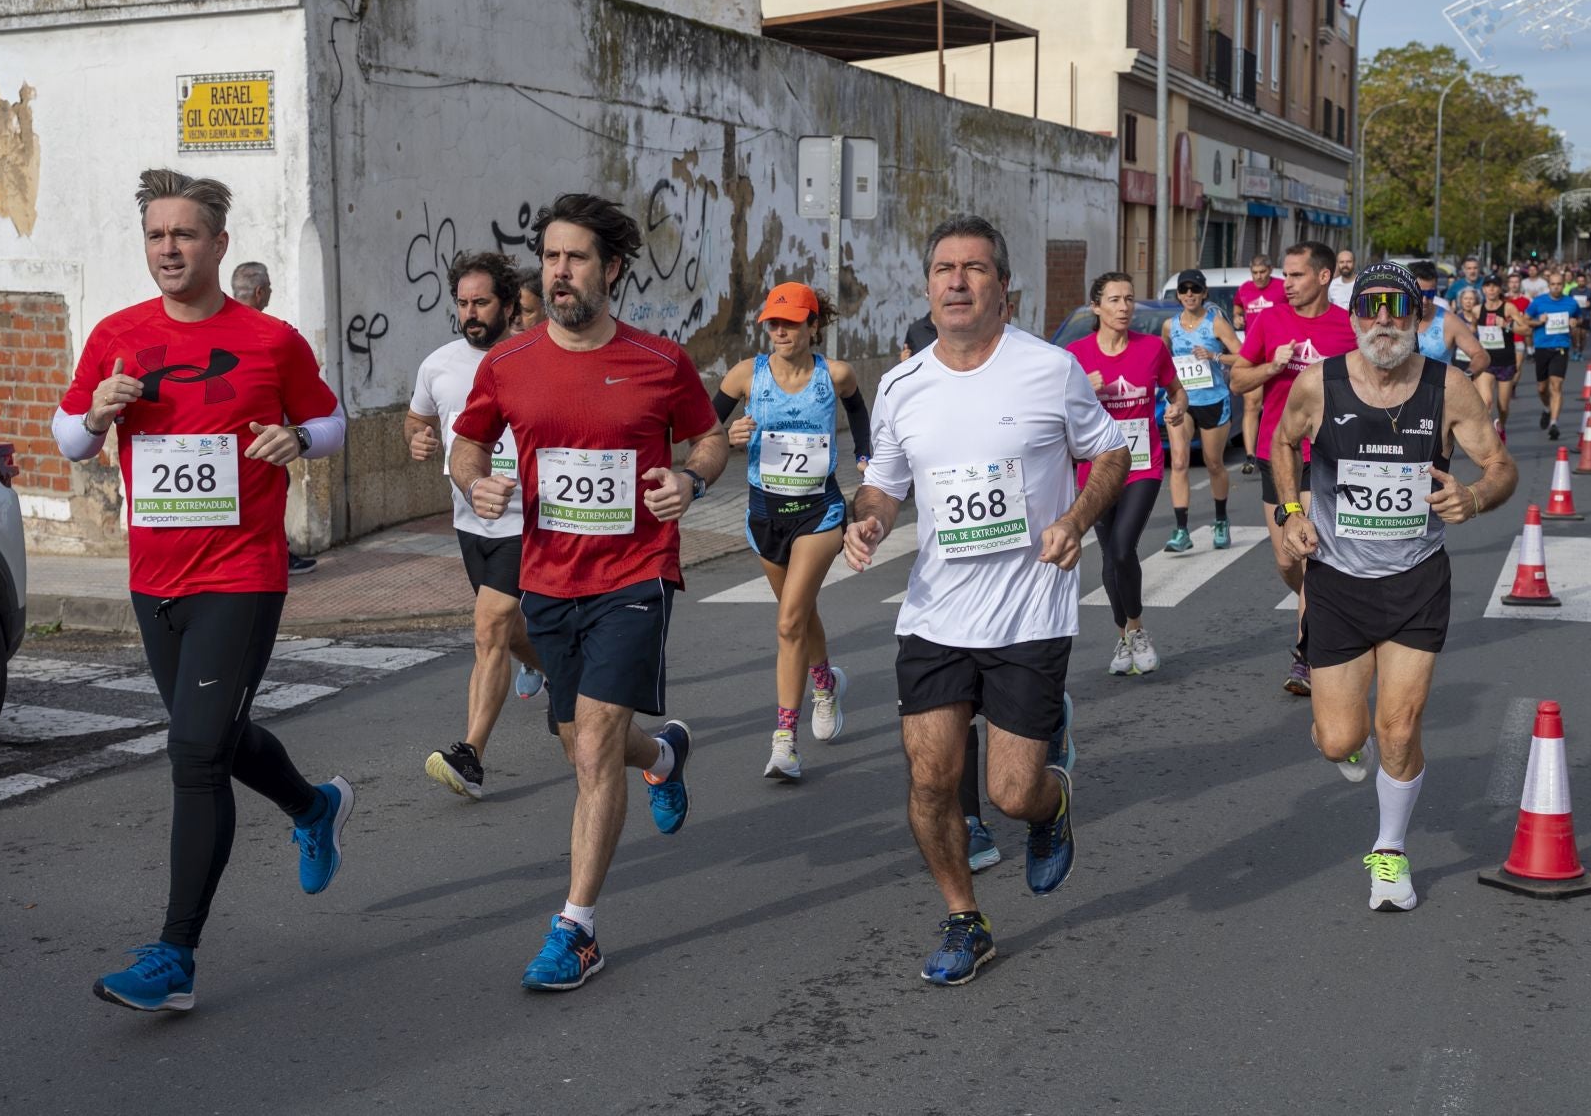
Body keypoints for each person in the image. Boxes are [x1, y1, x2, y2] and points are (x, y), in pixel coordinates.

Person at [55, 169, 351, 1013]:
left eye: (184, 234)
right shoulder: (117, 334)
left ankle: (175, 956)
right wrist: (98, 415)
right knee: (214, 734)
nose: (169, 249)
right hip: (155, 578)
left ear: (219, 244)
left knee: (192, 754)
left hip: (241, 574)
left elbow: (330, 421)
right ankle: (314, 804)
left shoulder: (270, 338)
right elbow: (67, 434)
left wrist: (296, 436)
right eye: (156, 235)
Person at [452, 192, 728, 992]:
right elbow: (469, 443)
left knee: (597, 747)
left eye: (575, 258)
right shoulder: (507, 365)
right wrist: (476, 485)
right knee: (578, 741)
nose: (559, 271)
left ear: (610, 269)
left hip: (635, 577)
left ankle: (576, 929)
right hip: (548, 578)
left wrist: (690, 476)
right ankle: (666, 754)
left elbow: (707, 436)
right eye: (551, 257)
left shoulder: (661, 361)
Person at [845, 213, 1127, 986]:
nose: (958, 280)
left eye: (974, 268)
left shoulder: (1049, 369)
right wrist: (867, 519)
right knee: (931, 779)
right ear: (929, 285)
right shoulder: (903, 385)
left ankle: (1051, 803)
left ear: (1005, 286)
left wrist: (1075, 519)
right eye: (944, 268)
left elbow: (1110, 448)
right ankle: (964, 917)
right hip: (936, 612)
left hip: (1028, 611)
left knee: (1009, 790)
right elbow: (884, 484)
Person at [1270, 261, 1518, 912]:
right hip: (1338, 584)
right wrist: (1292, 514)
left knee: (1400, 728)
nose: (1384, 320)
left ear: (1418, 317)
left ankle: (1390, 849)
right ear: (1354, 316)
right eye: (1371, 307)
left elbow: (1499, 465)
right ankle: (1351, 744)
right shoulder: (1318, 384)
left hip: (1416, 580)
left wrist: (1477, 496)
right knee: (1336, 738)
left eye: (1397, 308)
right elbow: (1282, 441)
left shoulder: (1449, 387)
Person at [713, 283, 871, 781]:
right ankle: (824, 682)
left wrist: (865, 458)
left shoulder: (835, 374)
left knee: (786, 624)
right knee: (797, 616)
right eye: (773, 324)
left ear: (813, 325)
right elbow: (698, 433)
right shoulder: (745, 376)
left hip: (819, 513)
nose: (780, 332)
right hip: (764, 514)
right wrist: (726, 435)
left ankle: (785, 741)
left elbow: (858, 411)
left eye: (791, 323)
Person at [406, 251, 550, 800]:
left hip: (526, 521)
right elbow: (418, 417)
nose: (470, 313)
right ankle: (561, 673)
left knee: (489, 628)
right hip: (470, 523)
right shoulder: (438, 363)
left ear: (509, 304)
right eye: (463, 302)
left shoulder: (535, 359)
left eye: (481, 302)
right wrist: (416, 439)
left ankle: (470, 755)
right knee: (510, 632)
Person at [1228, 240, 1357, 697]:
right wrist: (1270, 366)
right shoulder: (1270, 320)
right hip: (1276, 451)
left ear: (1324, 276)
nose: (1288, 284)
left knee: (1309, 553)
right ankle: (1319, 602)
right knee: (1287, 559)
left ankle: (1306, 655)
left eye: (1297, 275)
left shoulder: (1348, 327)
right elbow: (1237, 378)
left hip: (1327, 456)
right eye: (1285, 275)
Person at [1070, 272, 1186, 675]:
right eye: (1115, 300)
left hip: (1142, 464)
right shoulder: (1076, 356)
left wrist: (1178, 409)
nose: (1124, 307)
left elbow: (1177, 391)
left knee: (1123, 547)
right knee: (1108, 555)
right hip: (1096, 467)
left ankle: (1136, 630)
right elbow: (1053, 411)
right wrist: (1082, 388)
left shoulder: (1152, 348)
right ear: (1096, 306)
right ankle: (1122, 639)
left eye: (1129, 299)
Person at [226, 260, 315, 574]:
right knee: (272, 495)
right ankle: (279, 555)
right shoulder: (269, 335)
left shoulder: (218, 327)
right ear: (260, 292)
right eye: (270, 289)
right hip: (263, 444)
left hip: (224, 443)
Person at [1161, 268, 1240, 552]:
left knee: (1213, 463)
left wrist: (1214, 355)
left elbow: (1242, 355)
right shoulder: (1170, 326)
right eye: (1184, 290)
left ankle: (1221, 520)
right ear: (1178, 295)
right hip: (1182, 401)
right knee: (1179, 462)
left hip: (1214, 400)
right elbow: (1162, 359)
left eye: (1195, 289)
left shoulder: (1215, 323)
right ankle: (1181, 530)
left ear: (1204, 293)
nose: (1189, 294)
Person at [1234, 255, 1284, 473]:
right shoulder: (1244, 289)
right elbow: (1237, 306)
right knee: (1252, 405)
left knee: (1280, 403)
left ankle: (1281, 447)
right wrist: (1237, 317)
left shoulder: (1282, 288)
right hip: (1254, 354)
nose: (1259, 277)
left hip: (1278, 352)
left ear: (1270, 270)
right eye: (1255, 273)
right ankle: (1250, 455)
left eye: (1263, 272)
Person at [1525, 266, 1585, 441]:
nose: (1556, 287)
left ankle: (1554, 423)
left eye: (1559, 284)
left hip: (1561, 347)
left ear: (1563, 284)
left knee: (1556, 386)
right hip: (1542, 347)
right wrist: (1538, 321)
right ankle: (1547, 408)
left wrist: (1575, 322)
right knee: (1542, 388)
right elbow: (1526, 320)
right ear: (1549, 285)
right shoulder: (1538, 302)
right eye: (1553, 284)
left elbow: (1579, 318)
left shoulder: (1571, 302)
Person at [1410, 261, 1490, 377]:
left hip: (1439, 392)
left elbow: (1481, 356)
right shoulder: (1394, 317)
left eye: (1431, 294)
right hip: (1403, 391)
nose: (1425, 300)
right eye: (1420, 294)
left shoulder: (1448, 321)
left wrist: (1467, 376)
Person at [1477, 278, 1528, 441]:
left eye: (1494, 286)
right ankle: (1487, 435)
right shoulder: (1477, 310)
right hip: (1486, 362)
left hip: (1506, 361)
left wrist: (1507, 325)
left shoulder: (1508, 307)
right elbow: (1470, 330)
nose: (1491, 290)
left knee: (1503, 406)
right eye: (1487, 286)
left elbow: (1526, 329)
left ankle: (1502, 427)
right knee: (1486, 401)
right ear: (1483, 289)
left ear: (1500, 290)